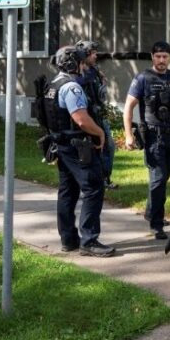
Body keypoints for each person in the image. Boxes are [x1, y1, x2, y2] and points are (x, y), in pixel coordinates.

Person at [44, 45, 115, 257]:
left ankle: (68, 239)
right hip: (77, 146)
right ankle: (89, 241)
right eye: (83, 62)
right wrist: (100, 133)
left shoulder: (53, 84)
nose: (85, 66)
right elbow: (81, 119)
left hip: (61, 144)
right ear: (73, 63)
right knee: (93, 188)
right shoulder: (71, 87)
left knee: (68, 191)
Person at [122, 41, 170, 239]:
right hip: (153, 136)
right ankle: (156, 224)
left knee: (168, 171)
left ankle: (150, 210)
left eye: (165, 57)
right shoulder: (142, 78)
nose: (162, 60)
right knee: (158, 177)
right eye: (158, 56)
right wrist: (128, 135)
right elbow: (129, 107)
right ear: (153, 57)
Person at [76, 40, 118, 189]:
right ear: (84, 54)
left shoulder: (94, 69)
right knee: (88, 150)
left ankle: (104, 179)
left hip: (98, 115)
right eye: (92, 53)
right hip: (85, 117)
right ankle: (89, 182)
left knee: (108, 146)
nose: (96, 55)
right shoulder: (77, 71)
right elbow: (78, 83)